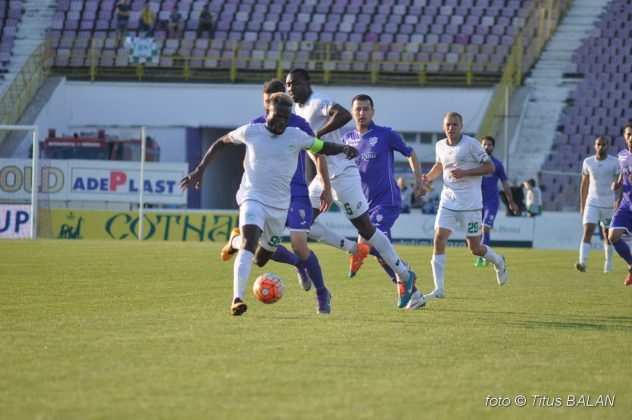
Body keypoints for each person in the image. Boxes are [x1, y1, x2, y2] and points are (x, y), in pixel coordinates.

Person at [180, 92, 358, 316]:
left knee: (260, 259)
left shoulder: (296, 135)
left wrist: (343, 148)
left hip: (279, 206)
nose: (282, 121)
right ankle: (237, 298)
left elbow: (321, 147)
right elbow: (220, 143)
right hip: (253, 198)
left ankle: (235, 240)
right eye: (277, 116)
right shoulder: (251, 131)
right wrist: (200, 170)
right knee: (250, 242)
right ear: (268, 112)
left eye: (285, 117)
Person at [286, 69, 424, 309]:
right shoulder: (301, 113)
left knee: (369, 235)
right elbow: (319, 150)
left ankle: (404, 276)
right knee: (301, 224)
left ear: (306, 83)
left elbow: (340, 115)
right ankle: (354, 251)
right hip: (326, 177)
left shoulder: (318, 102)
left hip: (356, 184)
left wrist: (316, 136)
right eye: (287, 84)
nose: (290, 88)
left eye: (295, 84)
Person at [221, 79, 332, 300]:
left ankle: (322, 294)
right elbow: (247, 159)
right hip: (263, 195)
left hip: (296, 192)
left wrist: (325, 185)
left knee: (299, 245)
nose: (267, 106)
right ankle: (294, 263)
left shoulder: (299, 124)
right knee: (257, 255)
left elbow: (318, 153)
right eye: (265, 102)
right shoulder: (256, 125)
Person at [342, 94, 425, 293]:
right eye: (358, 109)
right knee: (381, 254)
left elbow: (410, 153)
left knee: (367, 243)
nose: (361, 113)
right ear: (352, 112)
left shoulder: (386, 134)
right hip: (363, 206)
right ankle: (413, 293)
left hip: (387, 201)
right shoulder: (346, 140)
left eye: (366, 109)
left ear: (373, 111)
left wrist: (419, 180)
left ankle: (404, 274)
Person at [422, 112, 508, 299]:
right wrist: (428, 177)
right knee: (439, 238)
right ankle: (439, 289)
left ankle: (498, 261)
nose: (451, 128)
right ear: (443, 126)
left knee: (475, 248)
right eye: (448, 124)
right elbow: (440, 166)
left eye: (455, 124)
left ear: (461, 126)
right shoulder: (440, 145)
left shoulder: (471, 144)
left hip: (470, 205)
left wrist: (465, 172)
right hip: (447, 202)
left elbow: (490, 167)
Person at [575, 136, 620, 273]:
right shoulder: (588, 162)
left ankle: (608, 264)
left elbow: (620, 184)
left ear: (608, 146)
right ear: (594, 146)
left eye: (603, 144)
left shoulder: (614, 162)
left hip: (609, 205)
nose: (601, 147)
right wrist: (582, 205)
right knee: (588, 230)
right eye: (598, 144)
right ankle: (582, 262)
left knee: (608, 235)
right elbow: (584, 185)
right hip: (592, 203)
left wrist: (618, 201)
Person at [475, 136, 518, 267]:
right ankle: (484, 254)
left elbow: (505, 184)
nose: (486, 147)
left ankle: (484, 259)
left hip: (491, 202)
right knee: (477, 231)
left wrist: (511, 202)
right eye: (484, 144)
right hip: (476, 202)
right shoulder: (475, 163)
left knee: (485, 227)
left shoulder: (497, 165)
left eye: (489, 145)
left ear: (493, 147)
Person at [607, 122, 632, 286]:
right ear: (624, 136)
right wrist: (617, 184)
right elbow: (624, 172)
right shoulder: (621, 155)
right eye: (629, 134)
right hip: (626, 205)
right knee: (612, 236)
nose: (631, 137)